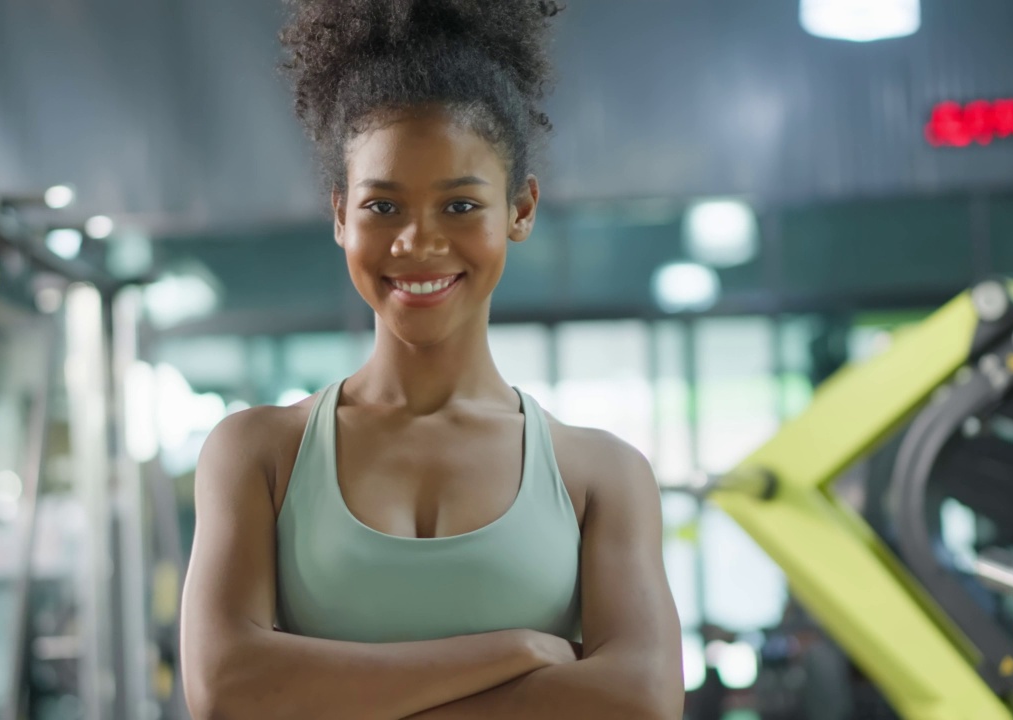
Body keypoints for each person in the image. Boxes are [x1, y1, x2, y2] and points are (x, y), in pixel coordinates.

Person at [180, 1, 683, 717]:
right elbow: (225, 688)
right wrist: (516, 651)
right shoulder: (258, 453)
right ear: (339, 214)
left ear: (521, 209)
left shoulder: (601, 476)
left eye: (459, 207)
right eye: (383, 207)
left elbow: (640, 701)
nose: (417, 243)